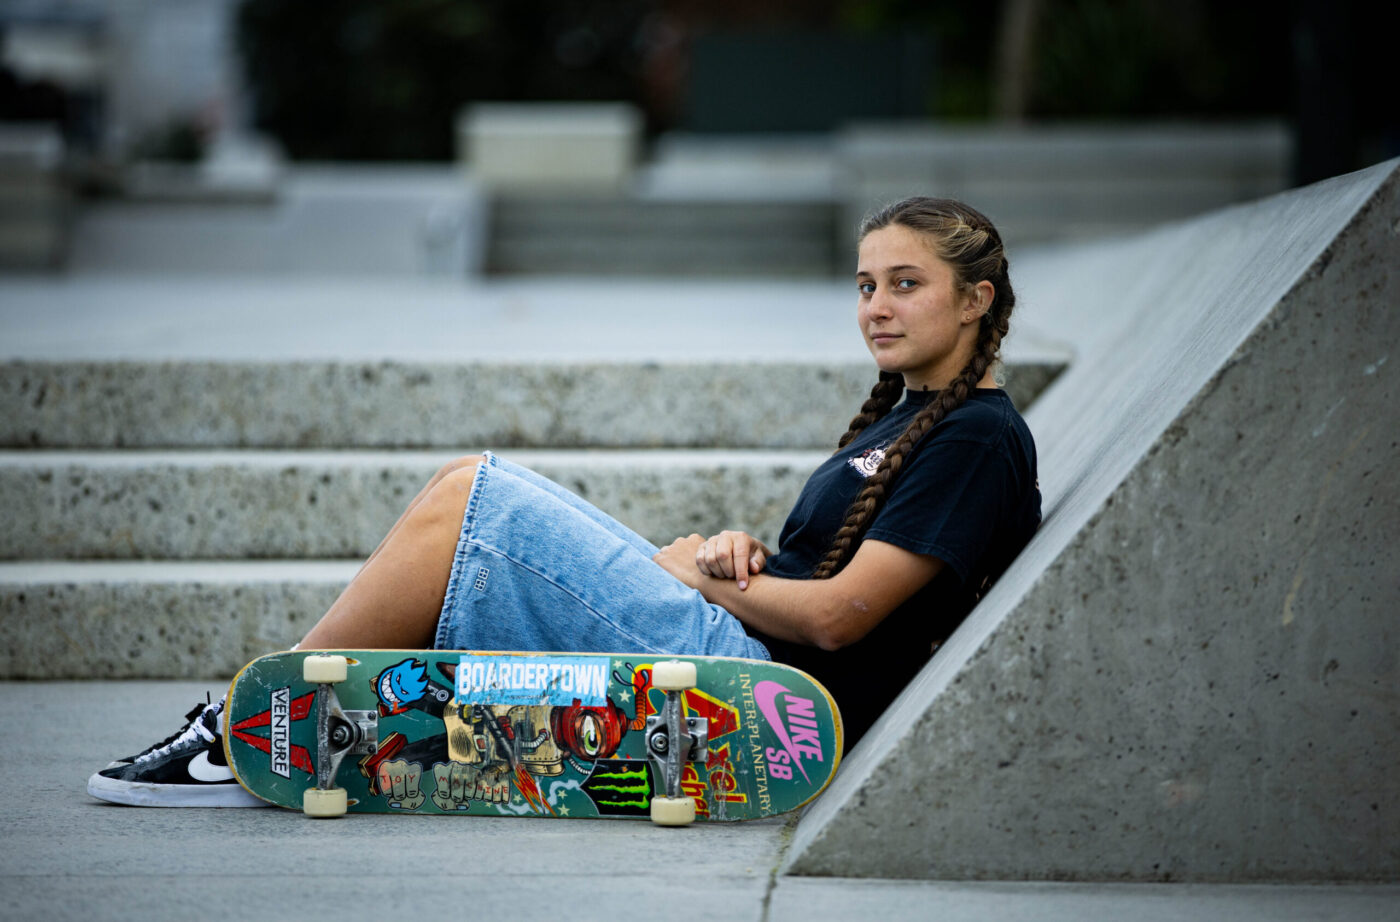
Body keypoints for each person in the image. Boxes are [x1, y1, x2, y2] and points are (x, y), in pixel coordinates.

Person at [88, 197, 1042, 807]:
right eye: (867, 284)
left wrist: (700, 586)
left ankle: (258, 724)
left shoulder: (977, 438)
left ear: (974, 300)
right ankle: (305, 716)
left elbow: (839, 619)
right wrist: (742, 552)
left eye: (906, 285)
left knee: (478, 501)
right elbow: (825, 572)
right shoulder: (911, 419)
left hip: (762, 695)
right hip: (745, 647)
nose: (876, 305)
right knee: (468, 483)